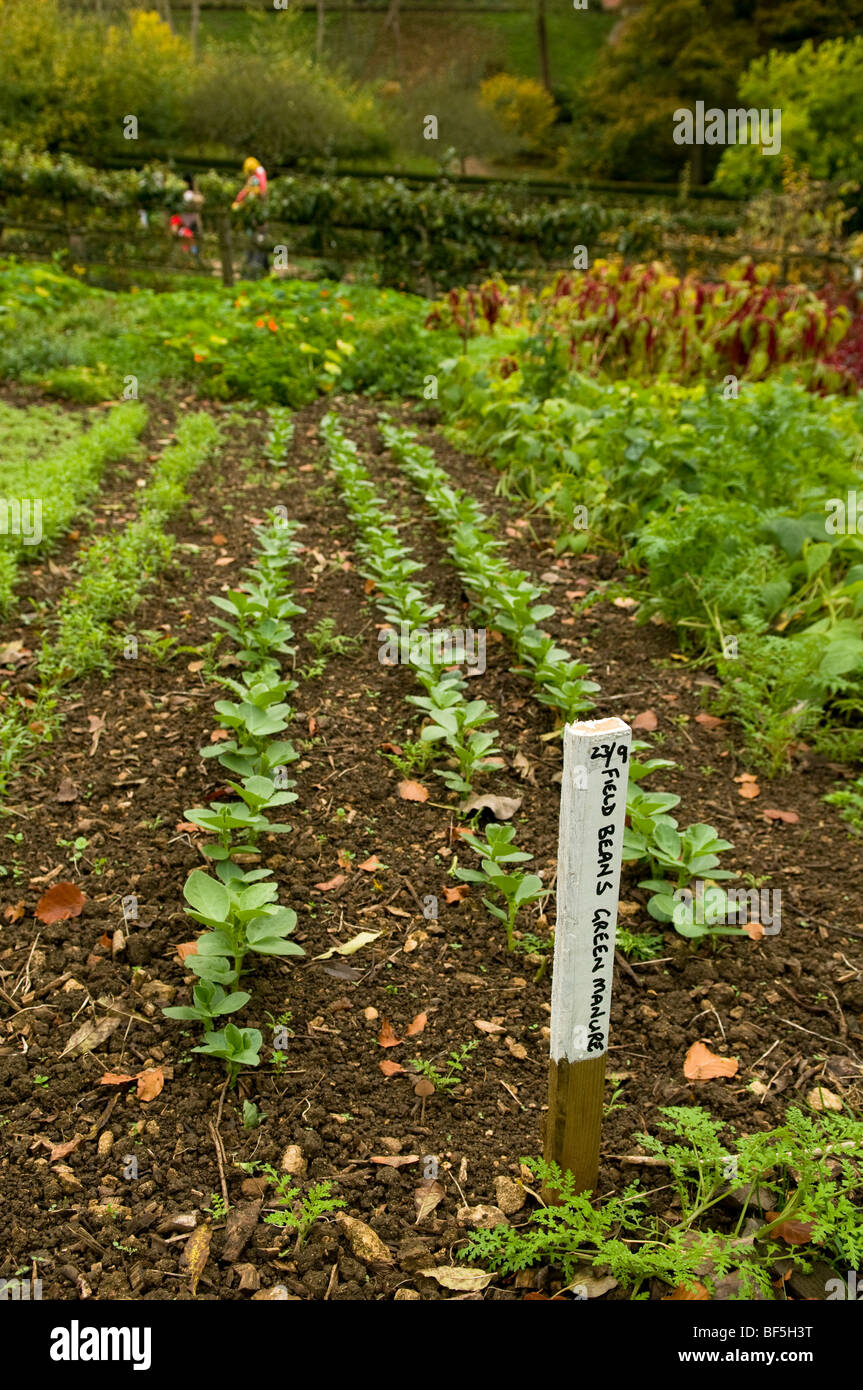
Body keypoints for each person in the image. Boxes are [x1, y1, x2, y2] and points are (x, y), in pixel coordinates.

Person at [232, 156, 270, 280]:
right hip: (253, 217)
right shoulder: (254, 179)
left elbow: (260, 190)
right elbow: (245, 192)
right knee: (254, 239)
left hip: (257, 217)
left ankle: (257, 267)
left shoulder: (258, 175)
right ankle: (256, 267)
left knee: (259, 239)